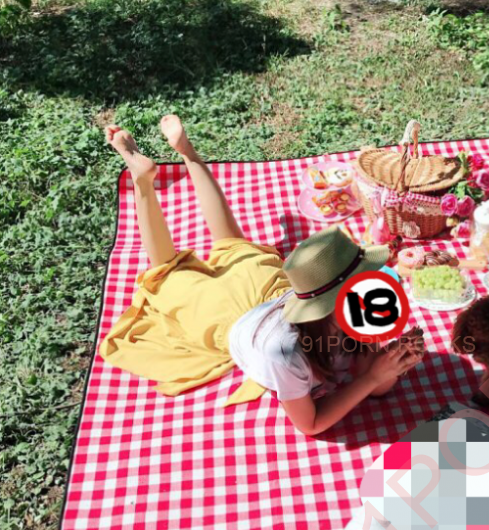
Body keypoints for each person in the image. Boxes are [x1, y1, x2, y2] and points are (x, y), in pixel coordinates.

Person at [101, 116, 424, 435]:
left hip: (268, 290)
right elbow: (310, 424)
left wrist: (392, 364)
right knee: (166, 271)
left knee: (231, 243)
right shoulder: (283, 352)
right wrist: (372, 377)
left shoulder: (351, 310)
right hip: (224, 317)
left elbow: (374, 385)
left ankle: (187, 152)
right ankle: (143, 180)